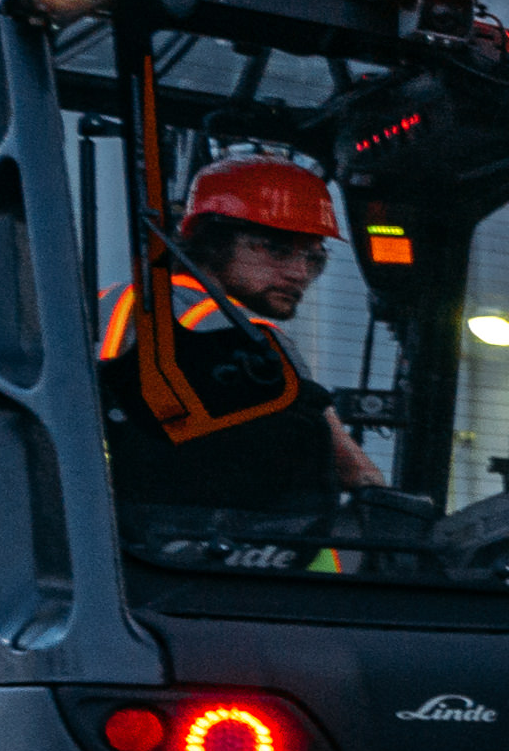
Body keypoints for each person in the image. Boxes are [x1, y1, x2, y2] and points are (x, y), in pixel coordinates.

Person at [101, 153, 389, 515]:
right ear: (212, 240)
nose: (299, 273)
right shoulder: (252, 343)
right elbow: (358, 473)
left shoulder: (102, 304)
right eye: (277, 249)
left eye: (314, 259)